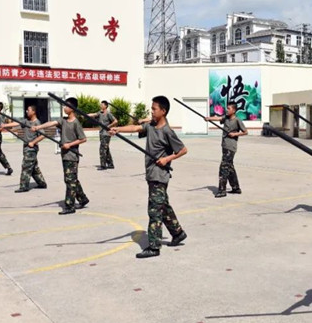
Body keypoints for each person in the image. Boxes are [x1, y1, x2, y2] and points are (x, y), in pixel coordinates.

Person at [111, 96, 188, 259]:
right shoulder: (151, 126)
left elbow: (183, 150)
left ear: (163, 111)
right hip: (151, 173)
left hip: (159, 175)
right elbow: (135, 127)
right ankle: (178, 232)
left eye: (154, 109)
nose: (151, 111)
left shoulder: (167, 131)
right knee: (162, 205)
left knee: (154, 210)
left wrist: (167, 159)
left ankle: (154, 246)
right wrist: (118, 130)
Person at [33, 97, 89, 215]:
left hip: (72, 155)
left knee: (70, 180)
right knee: (71, 179)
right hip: (65, 155)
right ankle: (82, 198)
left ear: (72, 108)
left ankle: (70, 206)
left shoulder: (76, 123)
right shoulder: (63, 120)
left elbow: (83, 139)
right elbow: (52, 123)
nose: (64, 108)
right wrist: (38, 127)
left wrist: (69, 144)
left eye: (66, 106)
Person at [204, 102, 248, 197]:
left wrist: (235, 134)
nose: (227, 110)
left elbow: (245, 132)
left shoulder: (237, 120)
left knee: (223, 167)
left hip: (231, 147)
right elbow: (219, 118)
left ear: (234, 110)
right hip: (224, 146)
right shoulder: (226, 118)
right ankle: (236, 188)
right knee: (230, 167)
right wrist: (208, 118)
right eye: (227, 108)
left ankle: (222, 190)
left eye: (229, 108)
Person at [0, 105, 47, 192]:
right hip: (26, 147)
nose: (26, 111)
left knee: (26, 166)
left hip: (31, 149)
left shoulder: (37, 123)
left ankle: (24, 186)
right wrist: (5, 125)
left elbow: (43, 135)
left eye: (28, 110)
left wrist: (33, 142)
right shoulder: (26, 121)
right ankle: (42, 183)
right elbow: (17, 123)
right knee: (33, 167)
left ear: (33, 112)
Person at [88, 101, 118, 170]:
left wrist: (109, 126)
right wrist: (85, 114)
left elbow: (115, 121)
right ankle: (110, 164)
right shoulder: (100, 113)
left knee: (102, 149)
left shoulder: (108, 113)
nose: (100, 106)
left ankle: (103, 165)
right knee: (106, 149)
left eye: (102, 105)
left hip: (106, 134)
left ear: (105, 106)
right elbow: (94, 114)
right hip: (102, 133)